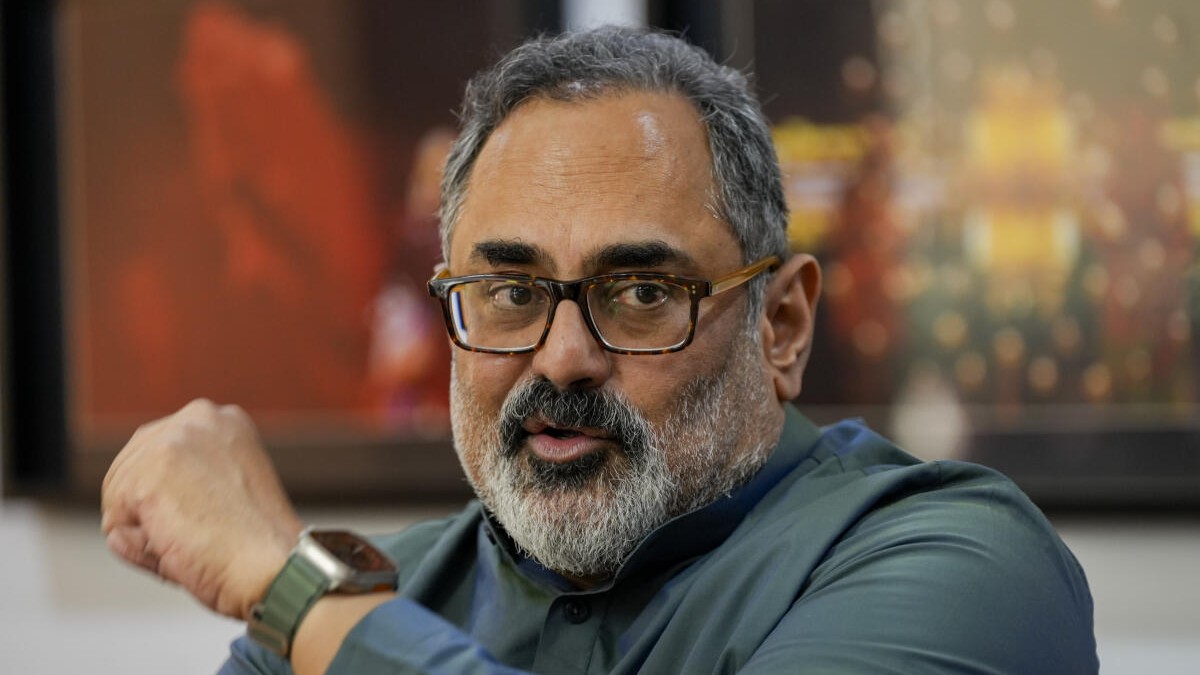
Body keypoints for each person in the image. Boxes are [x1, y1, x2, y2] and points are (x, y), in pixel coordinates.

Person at [100, 27, 1098, 674]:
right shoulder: (379, 592)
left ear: (783, 324)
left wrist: (294, 591)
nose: (562, 359)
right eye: (510, 293)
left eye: (642, 292)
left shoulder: (962, 565)